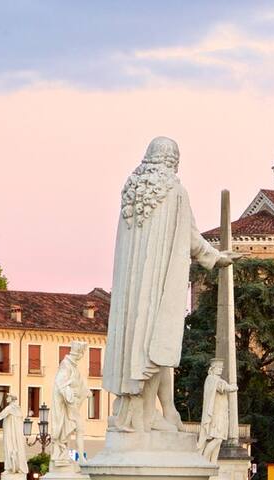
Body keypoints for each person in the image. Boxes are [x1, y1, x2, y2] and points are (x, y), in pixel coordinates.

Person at [100, 137, 234, 433]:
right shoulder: (174, 190)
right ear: (173, 160)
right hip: (157, 284)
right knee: (156, 344)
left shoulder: (131, 191)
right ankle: (147, 416)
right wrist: (217, 258)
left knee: (142, 346)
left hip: (131, 289)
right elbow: (189, 234)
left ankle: (139, 413)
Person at [49, 341, 89, 462]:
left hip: (71, 406)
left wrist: (84, 391)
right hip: (67, 406)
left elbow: (79, 384)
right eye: (82, 353)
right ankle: (79, 457)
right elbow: (60, 384)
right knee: (78, 429)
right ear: (79, 354)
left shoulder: (73, 366)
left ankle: (78, 457)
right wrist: (71, 394)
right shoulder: (66, 364)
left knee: (78, 429)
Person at [197, 359, 239, 460]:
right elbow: (227, 388)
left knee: (218, 440)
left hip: (221, 413)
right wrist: (234, 386)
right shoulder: (212, 379)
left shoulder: (214, 379)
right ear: (213, 369)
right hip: (216, 414)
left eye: (221, 368)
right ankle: (204, 459)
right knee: (218, 439)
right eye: (218, 368)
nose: (220, 370)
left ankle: (213, 462)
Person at [0, 393, 30, 475]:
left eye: (8, 397)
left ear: (12, 398)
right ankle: (14, 466)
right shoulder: (17, 408)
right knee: (12, 448)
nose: (6, 398)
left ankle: (9, 467)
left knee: (8, 448)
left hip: (10, 433)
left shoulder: (10, 408)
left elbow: (1, 415)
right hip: (14, 434)